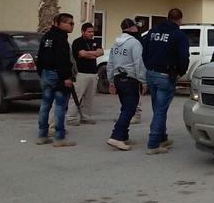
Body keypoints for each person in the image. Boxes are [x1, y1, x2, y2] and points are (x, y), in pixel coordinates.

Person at [142, 8, 189, 155]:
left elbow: (144, 51)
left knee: (158, 109)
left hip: (151, 73)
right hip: (165, 75)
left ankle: (162, 138)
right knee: (160, 111)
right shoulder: (178, 35)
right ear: (179, 19)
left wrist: (148, 66)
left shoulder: (153, 31)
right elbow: (183, 57)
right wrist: (180, 72)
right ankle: (153, 144)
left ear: (168, 17)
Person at [106, 19, 147, 151]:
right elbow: (139, 63)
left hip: (118, 78)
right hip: (130, 80)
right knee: (130, 109)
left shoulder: (115, 43)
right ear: (132, 28)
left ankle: (124, 136)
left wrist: (111, 81)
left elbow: (110, 63)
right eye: (136, 26)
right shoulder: (134, 43)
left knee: (125, 108)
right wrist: (143, 81)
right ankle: (116, 136)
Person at [36, 13, 76, 147]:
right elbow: (62, 60)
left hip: (46, 74)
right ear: (59, 23)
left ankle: (42, 135)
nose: (72, 26)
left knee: (45, 105)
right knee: (60, 106)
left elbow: (40, 57)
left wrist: (42, 72)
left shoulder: (46, 37)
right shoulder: (61, 38)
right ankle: (59, 137)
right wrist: (66, 77)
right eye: (70, 23)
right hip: (57, 75)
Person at [67, 22, 103, 125]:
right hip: (81, 73)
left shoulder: (95, 41)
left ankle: (86, 117)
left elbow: (101, 52)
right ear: (83, 31)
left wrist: (89, 54)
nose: (91, 34)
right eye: (89, 32)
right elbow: (82, 54)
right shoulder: (77, 42)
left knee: (89, 97)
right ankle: (71, 118)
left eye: (92, 32)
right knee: (76, 96)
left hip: (93, 73)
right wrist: (93, 54)